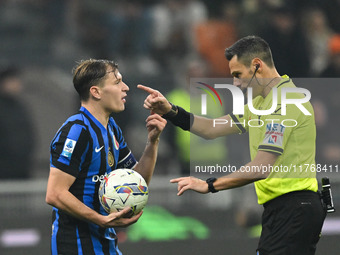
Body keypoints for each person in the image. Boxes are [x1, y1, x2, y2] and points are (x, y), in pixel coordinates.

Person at [138, 36, 326, 255]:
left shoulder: (285, 102)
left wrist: (210, 185)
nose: (236, 83)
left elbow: (261, 167)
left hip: (295, 208)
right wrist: (170, 110)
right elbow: (211, 128)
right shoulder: (260, 104)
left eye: (238, 74)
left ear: (257, 65)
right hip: (283, 210)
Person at [45, 59, 166, 255]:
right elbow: (55, 193)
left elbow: (137, 181)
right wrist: (100, 219)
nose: (125, 88)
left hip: (106, 243)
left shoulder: (112, 129)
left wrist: (152, 142)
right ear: (96, 92)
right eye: (117, 82)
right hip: (76, 245)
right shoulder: (77, 131)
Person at [0, 66, 35, 179]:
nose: (17, 84)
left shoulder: (20, 107)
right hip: (4, 169)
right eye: (12, 80)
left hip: (22, 167)